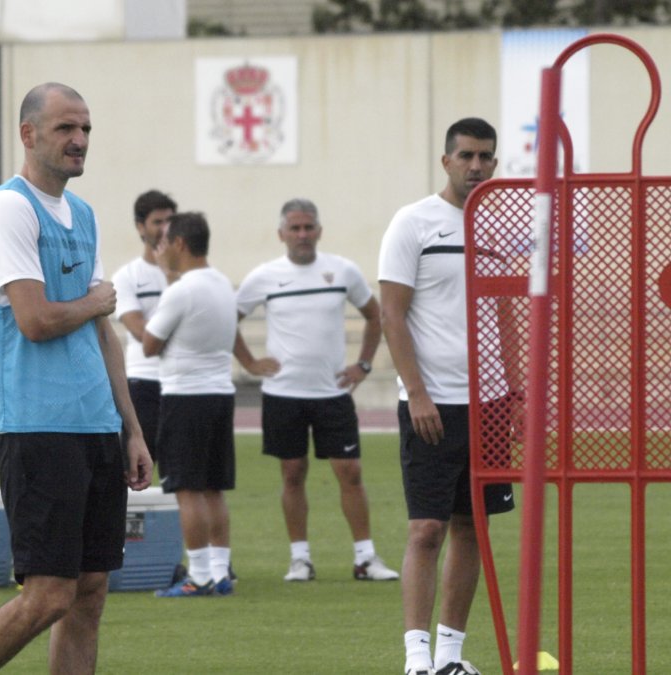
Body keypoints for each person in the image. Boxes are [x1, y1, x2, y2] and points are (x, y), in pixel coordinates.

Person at [0, 82, 154, 674]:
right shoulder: (9, 208)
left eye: (86, 128)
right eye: (66, 127)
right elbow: (37, 320)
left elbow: (103, 332)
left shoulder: (82, 213)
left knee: (90, 590)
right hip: (38, 424)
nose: (80, 140)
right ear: (28, 134)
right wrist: (96, 303)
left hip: (94, 423)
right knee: (48, 595)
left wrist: (132, 429)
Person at [378, 117, 516, 675]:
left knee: (472, 526)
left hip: (492, 405)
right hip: (432, 403)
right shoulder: (413, 223)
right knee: (426, 528)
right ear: (446, 161)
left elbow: (505, 315)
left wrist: (518, 393)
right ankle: (416, 659)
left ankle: (451, 657)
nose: (477, 166)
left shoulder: (501, 227)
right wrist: (417, 393)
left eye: (486, 157)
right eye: (467, 156)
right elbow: (392, 312)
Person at [233, 198, 399, 583]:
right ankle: (300, 559)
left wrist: (364, 364)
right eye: (295, 228)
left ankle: (365, 558)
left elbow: (376, 315)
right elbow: (227, 318)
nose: (302, 235)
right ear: (281, 234)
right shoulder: (265, 276)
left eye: (309, 227)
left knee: (351, 472)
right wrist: (250, 363)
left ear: (319, 231)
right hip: (283, 394)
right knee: (292, 474)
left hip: (332, 393)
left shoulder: (342, 271)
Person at [142, 211, 239, 598]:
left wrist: (167, 278)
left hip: (185, 396)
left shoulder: (180, 290)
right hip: (220, 394)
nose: (162, 249)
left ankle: (198, 576)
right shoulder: (222, 284)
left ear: (180, 243)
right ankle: (220, 572)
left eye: (166, 241)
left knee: (187, 490)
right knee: (213, 488)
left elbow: (149, 344)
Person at [111, 189, 177, 464]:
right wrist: (178, 325)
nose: (165, 229)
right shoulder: (127, 276)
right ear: (141, 227)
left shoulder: (190, 274)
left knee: (186, 478)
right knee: (135, 469)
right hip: (144, 382)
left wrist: (172, 276)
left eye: (170, 221)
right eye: (157, 222)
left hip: (182, 382)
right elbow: (142, 334)